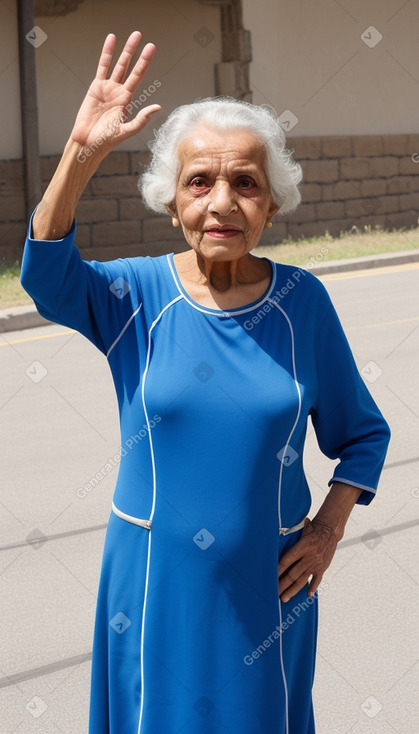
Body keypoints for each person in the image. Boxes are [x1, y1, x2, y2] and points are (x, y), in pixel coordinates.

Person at [20, 30, 390, 734]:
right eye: (200, 181)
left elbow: (364, 436)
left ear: (271, 205)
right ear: (171, 202)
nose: (222, 201)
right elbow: (45, 273)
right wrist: (81, 153)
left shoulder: (300, 304)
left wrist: (327, 532)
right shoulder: (133, 296)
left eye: (244, 183)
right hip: (153, 582)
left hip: (268, 592)